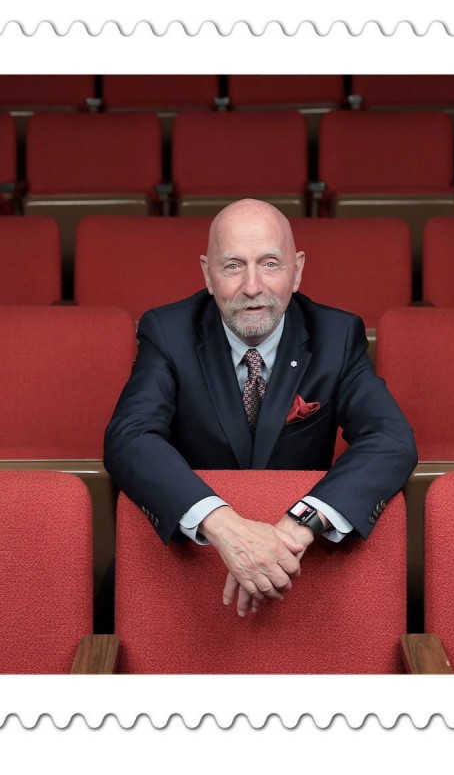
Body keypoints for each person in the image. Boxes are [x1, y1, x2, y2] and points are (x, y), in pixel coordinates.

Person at [103, 199, 418, 617]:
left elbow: (391, 440)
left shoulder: (337, 334)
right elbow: (129, 438)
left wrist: (298, 526)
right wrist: (225, 526)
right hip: (191, 561)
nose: (252, 287)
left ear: (298, 269)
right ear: (207, 274)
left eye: (270, 263)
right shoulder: (167, 331)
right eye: (233, 266)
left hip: (302, 564)